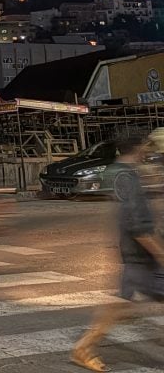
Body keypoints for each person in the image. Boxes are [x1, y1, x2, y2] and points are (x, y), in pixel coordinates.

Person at [71, 134, 164, 372]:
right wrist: (159, 252)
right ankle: (84, 347)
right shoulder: (127, 176)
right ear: (138, 147)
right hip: (141, 255)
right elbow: (137, 222)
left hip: (136, 253)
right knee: (119, 305)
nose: (148, 151)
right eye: (145, 146)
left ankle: (83, 348)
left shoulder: (119, 171)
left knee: (121, 303)